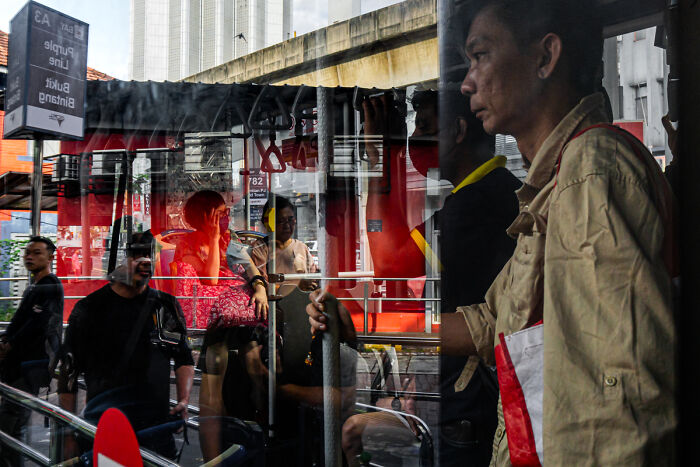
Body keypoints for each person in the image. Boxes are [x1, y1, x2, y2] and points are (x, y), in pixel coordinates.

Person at [58, 232, 195, 460]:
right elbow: (68, 375)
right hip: (105, 426)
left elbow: (183, 358)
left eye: (149, 255)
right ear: (118, 260)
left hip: (155, 428)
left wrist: (183, 400)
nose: (145, 261)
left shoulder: (165, 306)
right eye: (136, 254)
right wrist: (69, 433)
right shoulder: (90, 309)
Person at [0, 237, 64, 467]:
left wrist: (10, 342)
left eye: (37, 253)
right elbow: (21, 320)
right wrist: (6, 338)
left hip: (31, 365)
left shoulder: (50, 286)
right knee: (11, 422)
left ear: (50, 257)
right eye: (28, 252)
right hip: (20, 364)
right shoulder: (35, 286)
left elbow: (39, 322)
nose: (30, 257)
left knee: (11, 423)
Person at [173, 190, 268, 328]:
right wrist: (213, 239)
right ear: (203, 217)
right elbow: (211, 280)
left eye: (226, 213)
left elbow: (249, 266)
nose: (225, 218)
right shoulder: (187, 245)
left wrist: (260, 289)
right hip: (208, 310)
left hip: (236, 303)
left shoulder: (229, 239)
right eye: (219, 214)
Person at [250, 195, 318, 292]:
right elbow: (261, 284)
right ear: (268, 223)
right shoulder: (260, 248)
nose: (287, 226)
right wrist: (297, 285)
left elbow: (313, 277)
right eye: (281, 221)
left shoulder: (301, 247)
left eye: (290, 220)